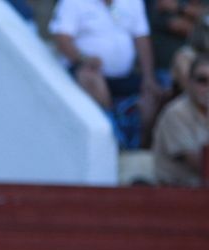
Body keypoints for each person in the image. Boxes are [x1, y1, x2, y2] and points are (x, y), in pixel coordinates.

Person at [50, 0, 163, 124]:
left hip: (124, 76)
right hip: (86, 71)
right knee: (90, 77)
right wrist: (84, 59)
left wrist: (148, 77)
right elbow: (62, 40)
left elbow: (142, 38)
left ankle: (139, 140)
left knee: (155, 91)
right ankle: (112, 130)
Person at [153, 53, 209, 186]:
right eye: (202, 80)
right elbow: (200, 164)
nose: (208, 87)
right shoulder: (176, 113)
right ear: (189, 82)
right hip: (174, 195)